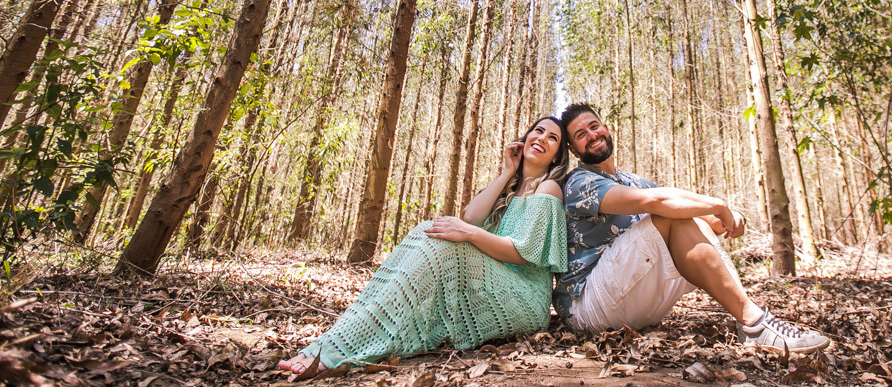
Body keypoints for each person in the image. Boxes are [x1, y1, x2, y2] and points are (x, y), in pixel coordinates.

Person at [278, 116, 569, 377]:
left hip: (526, 297)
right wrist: (508, 171)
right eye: (538, 131)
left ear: (557, 156)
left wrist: (468, 234)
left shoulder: (548, 188)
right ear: (525, 138)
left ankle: (345, 346)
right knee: (428, 230)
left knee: (449, 243)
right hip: (497, 280)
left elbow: (519, 255)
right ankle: (346, 335)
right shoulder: (510, 186)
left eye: (552, 138)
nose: (542, 138)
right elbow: (471, 216)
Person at [553, 103, 829, 353]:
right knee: (669, 214)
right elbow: (658, 202)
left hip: (629, 303)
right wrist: (716, 204)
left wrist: (725, 218)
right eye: (581, 135)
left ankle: (750, 320)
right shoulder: (580, 182)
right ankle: (755, 323)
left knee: (688, 216)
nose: (592, 135)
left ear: (606, 128)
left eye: (594, 126)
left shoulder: (630, 179)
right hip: (587, 308)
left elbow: (694, 215)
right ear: (574, 150)